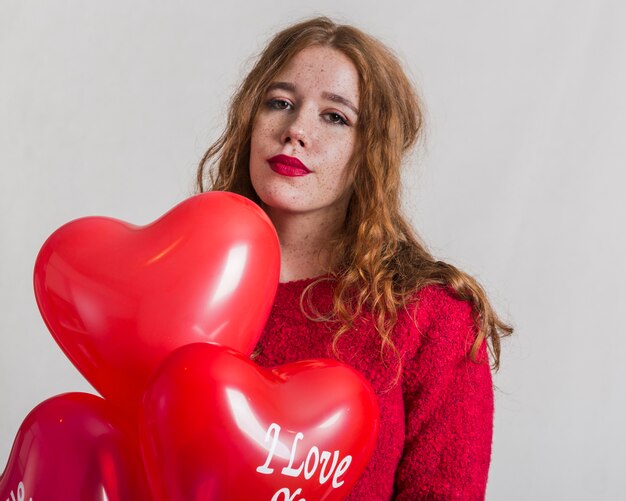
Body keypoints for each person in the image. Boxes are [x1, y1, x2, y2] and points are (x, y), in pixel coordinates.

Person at [196, 16, 512, 500]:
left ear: (372, 152)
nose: (295, 130)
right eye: (279, 103)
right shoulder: (189, 285)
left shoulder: (432, 318)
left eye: (335, 116)